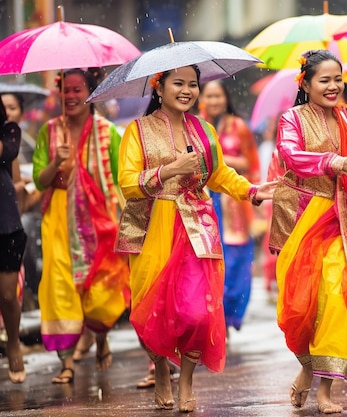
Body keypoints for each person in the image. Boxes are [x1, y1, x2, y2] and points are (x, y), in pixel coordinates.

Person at [116, 64, 274, 412]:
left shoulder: (202, 129)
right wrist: (169, 170)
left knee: (198, 313)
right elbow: (127, 181)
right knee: (154, 310)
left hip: (197, 228)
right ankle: (159, 366)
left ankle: (185, 379)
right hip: (153, 226)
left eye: (193, 84)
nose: (187, 90)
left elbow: (218, 173)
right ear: (159, 88)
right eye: (179, 83)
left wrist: (251, 191)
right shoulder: (138, 131)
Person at [269, 50, 347, 414]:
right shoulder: (292, 119)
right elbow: (289, 156)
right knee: (303, 305)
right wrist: (335, 162)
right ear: (306, 83)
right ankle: (306, 370)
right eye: (324, 80)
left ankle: (327, 391)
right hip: (304, 218)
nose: (333, 86)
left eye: (337, 79)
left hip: (345, 222)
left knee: (339, 298)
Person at [33, 68, 130, 384]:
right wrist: (55, 163)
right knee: (60, 288)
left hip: (100, 219)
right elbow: (39, 180)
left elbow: (120, 181)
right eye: (66, 90)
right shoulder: (49, 132)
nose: (71, 96)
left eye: (78, 90)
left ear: (90, 93)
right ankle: (67, 363)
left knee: (102, 290)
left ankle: (100, 337)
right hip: (59, 220)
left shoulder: (108, 133)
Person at [197, 80, 260, 331]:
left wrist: (220, 160)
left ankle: (229, 315)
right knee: (208, 260)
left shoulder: (238, 126)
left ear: (226, 98)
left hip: (232, 199)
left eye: (218, 96)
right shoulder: (195, 126)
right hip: (204, 199)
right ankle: (215, 319)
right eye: (209, 96)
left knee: (235, 262)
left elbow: (251, 163)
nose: (214, 101)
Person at [0, 99, 27, 384]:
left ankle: (13, 343)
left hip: (5, 225)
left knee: (8, 296)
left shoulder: (9, 131)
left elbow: (8, 151)